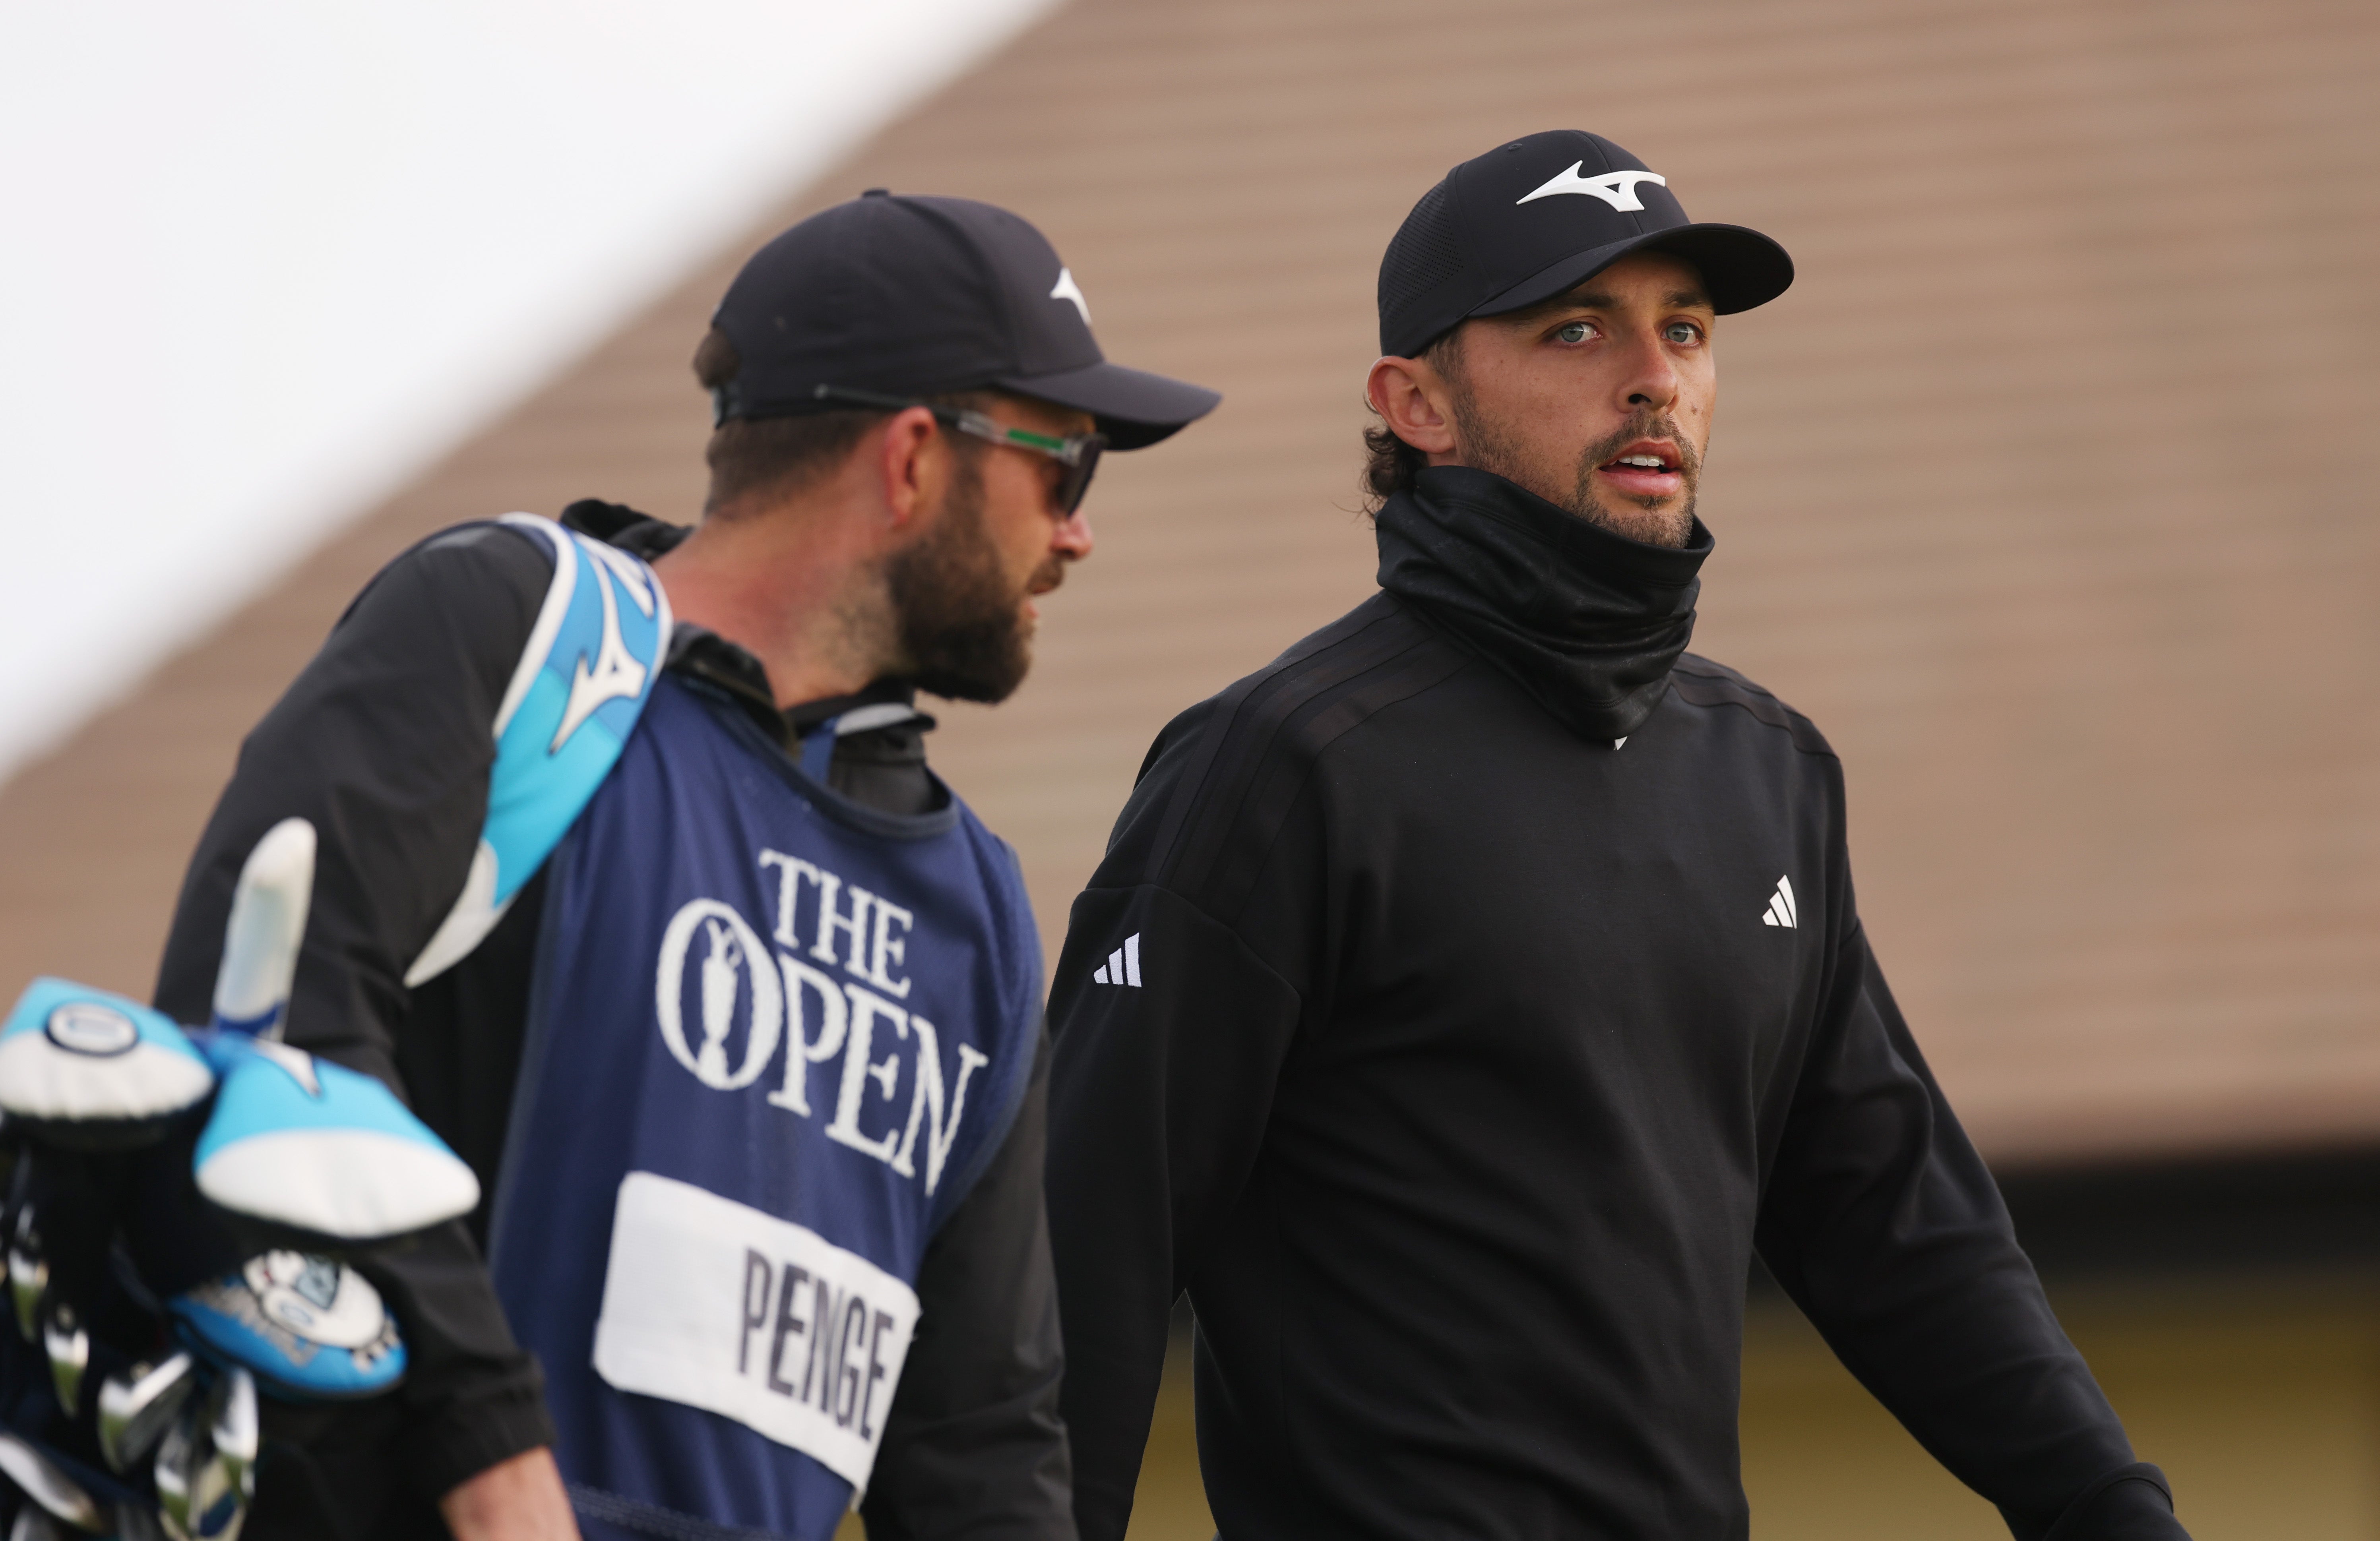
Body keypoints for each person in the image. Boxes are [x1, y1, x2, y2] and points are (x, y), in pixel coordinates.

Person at [1042, 130, 2188, 1541]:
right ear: (1417, 405)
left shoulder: (1766, 770)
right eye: (1576, 330)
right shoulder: (1281, 768)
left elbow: (1897, 1222)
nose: (1654, 376)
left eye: (1684, 330)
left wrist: (2114, 1513)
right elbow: (1081, 1264)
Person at [152, 190, 1217, 1541]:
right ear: (910, 459)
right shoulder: (516, 636)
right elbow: (263, 1030)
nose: (1076, 534)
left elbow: (982, 1445)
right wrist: (489, 1454)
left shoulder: (974, 911)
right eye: (1066, 468)